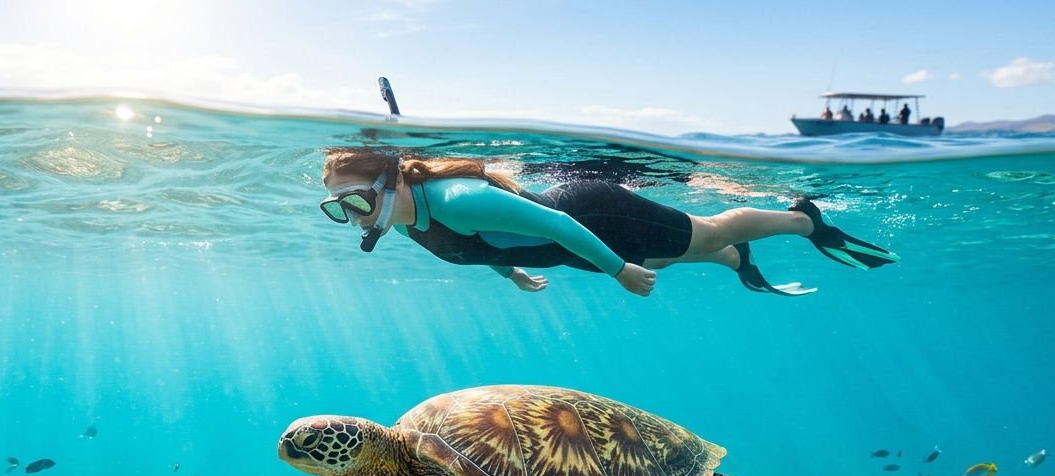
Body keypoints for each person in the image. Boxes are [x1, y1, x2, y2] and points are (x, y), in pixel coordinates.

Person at [319, 149, 898, 298]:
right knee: (667, 258)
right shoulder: (408, 218)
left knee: (710, 229)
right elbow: (478, 249)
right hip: (568, 245)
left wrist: (618, 269)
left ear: (388, 180)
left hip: (592, 215)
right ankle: (735, 260)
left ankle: (803, 220)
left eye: (352, 200)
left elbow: (556, 224)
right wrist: (512, 273)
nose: (350, 217)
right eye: (337, 208)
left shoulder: (455, 199)